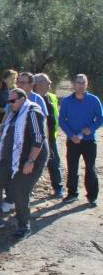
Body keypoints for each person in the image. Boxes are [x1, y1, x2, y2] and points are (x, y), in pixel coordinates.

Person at [0, 88, 48, 239]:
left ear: (22, 99)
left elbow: (39, 138)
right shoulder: (13, 112)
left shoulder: (33, 111)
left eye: (12, 101)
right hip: (11, 158)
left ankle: (24, 226)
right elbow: (9, 129)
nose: (10, 104)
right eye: (9, 101)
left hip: (30, 159)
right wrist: (3, 129)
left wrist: (31, 161)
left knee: (20, 191)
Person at [59, 74, 102, 207]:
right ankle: (72, 194)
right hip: (73, 141)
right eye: (78, 82)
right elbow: (62, 120)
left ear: (86, 84)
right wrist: (71, 135)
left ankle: (92, 196)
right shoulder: (66, 101)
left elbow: (100, 118)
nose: (80, 85)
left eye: (83, 83)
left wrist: (92, 128)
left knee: (90, 168)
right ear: (73, 84)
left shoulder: (94, 100)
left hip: (89, 141)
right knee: (72, 168)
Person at [34, 73, 63, 198]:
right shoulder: (32, 98)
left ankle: (58, 188)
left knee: (55, 162)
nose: (50, 83)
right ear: (38, 84)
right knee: (33, 164)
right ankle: (28, 190)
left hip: (51, 138)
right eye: (47, 81)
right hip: (36, 139)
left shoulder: (52, 97)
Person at [0, 69, 18, 148]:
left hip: (13, 122)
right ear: (4, 80)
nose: (14, 81)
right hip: (0, 122)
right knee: (0, 145)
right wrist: (6, 110)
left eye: (15, 78)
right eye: (11, 78)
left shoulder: (17, 92)